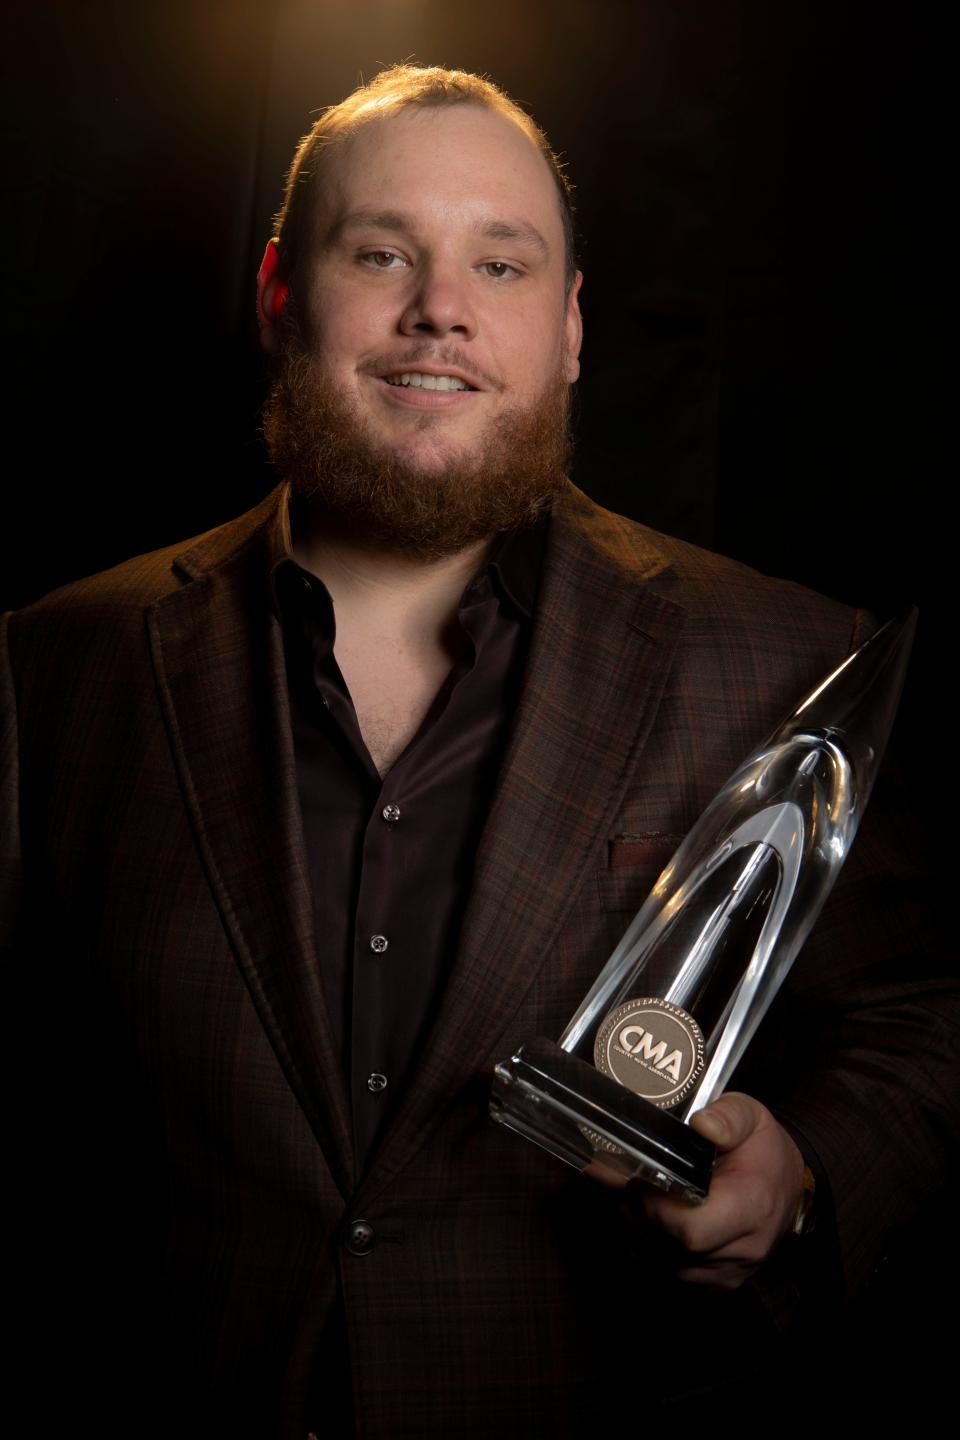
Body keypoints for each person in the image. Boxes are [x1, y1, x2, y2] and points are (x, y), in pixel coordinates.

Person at [0, 64, 951, 1439]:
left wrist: (800, 1178)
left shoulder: (784, 660)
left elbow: (922, 1018)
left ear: (569, 327)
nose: (439, 306)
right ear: (280, 293)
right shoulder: (52, 667)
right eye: (382, 251)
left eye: (499, 264)